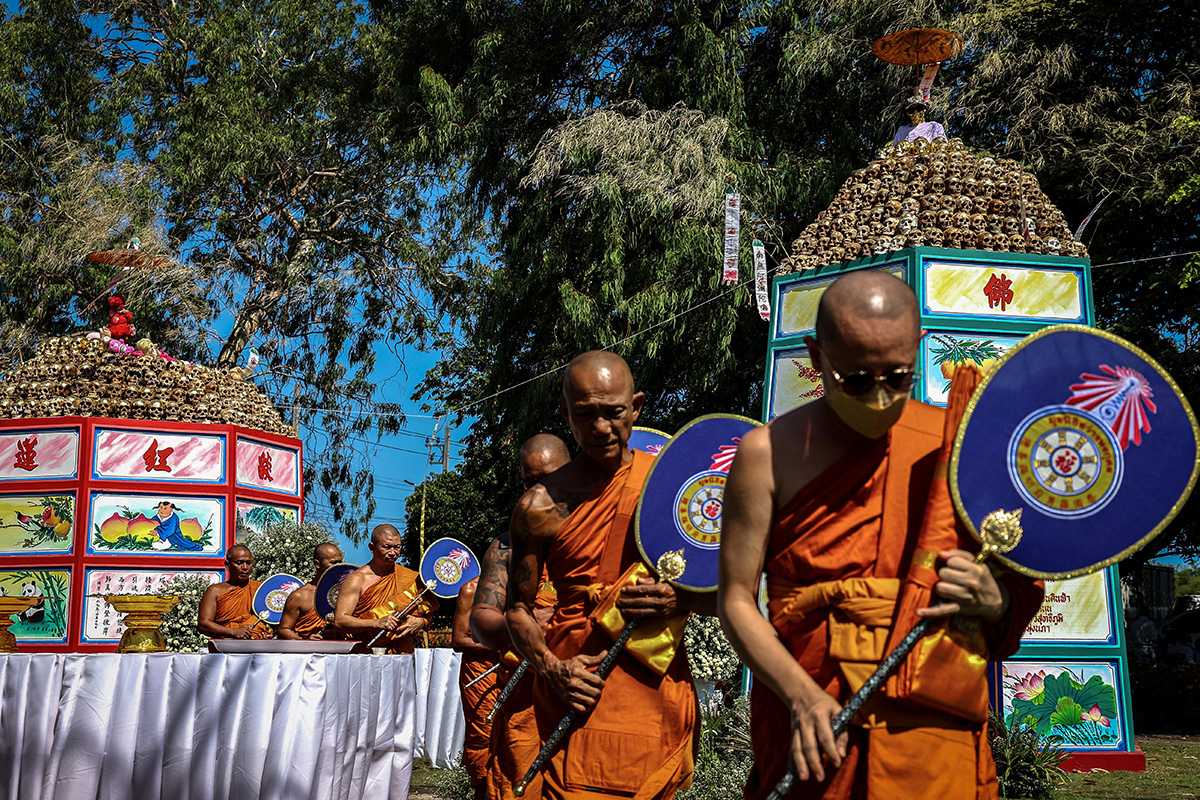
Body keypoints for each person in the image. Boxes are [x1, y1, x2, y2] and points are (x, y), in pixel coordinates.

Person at [717, 271, 1044, 800]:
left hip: (930, 724)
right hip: (817, 719)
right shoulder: (767, 454)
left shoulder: (954, 447)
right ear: (816, 355)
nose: (878, 399)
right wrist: (800, 697)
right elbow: (734, 597)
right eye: (856, 380)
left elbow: (1018, 584)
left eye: (898, 377)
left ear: (918, 349)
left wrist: (996, 600)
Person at [507, 351, 709, 800]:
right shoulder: (539, 507)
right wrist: (552, 668)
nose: (601, 428)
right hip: (577, 676)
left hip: (650, 671)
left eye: (614, 413)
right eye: (585, 415)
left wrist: (680, 601)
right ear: (565, 413)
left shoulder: (668, 488)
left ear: (636, 406)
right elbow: (517, 611)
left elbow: (730, 590)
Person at [471, 434, 572, 800]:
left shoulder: (598, 534)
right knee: (518, 786)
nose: (542, 492)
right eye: (532, 482)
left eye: (553, 479)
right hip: (524, 696)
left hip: (586, 688)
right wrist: (521, 624)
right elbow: (480, 620)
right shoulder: (505, 546)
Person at [333, 524, 438, 654]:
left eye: (397, 547)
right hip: (366, 653)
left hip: (402, 652)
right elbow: (340, 621)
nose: (393, 553)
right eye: (386, 547)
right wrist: (375, 623)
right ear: (372, 548)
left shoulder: (411, 578)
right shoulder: (357, 580)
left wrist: (420, 622)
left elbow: (427, 611)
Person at [453, 577, 500, 799]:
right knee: (484, 738)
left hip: (521, 671)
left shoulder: (534, 589)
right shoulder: (471, 589)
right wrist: (505, 642)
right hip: (482, 673)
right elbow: (459, 640)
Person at [198, 544, 272, 642]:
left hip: (256, 647)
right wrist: (233, 632)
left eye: (248, 563)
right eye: (239, 563)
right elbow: (204, 624)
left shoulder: (260, 589)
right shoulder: (215, 591)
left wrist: (268, 634)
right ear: (228, 565)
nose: (245, 567)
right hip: (225, 647)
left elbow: (272, 618)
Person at [278, 542, 345, 640]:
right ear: (317, 564)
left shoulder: (345, 591)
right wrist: (305, 642)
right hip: (309, 653)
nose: (337, 567)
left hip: (342, 650)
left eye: (340, 562)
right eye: (333, 563)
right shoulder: (300, 596)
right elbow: (283, 630)